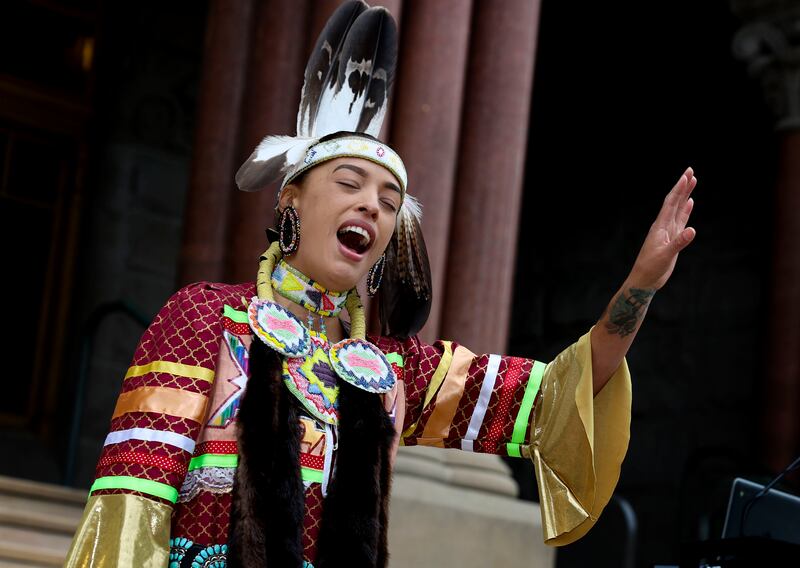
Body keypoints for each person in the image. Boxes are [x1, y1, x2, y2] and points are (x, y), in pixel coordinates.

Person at [64, 2, 698, 567]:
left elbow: (562, 395)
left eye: (390, 201)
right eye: (348, 184)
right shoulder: (205, 319)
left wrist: (638, 286)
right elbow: (132, 505)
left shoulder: (393, 372)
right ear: (292, 198)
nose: (372, 206)